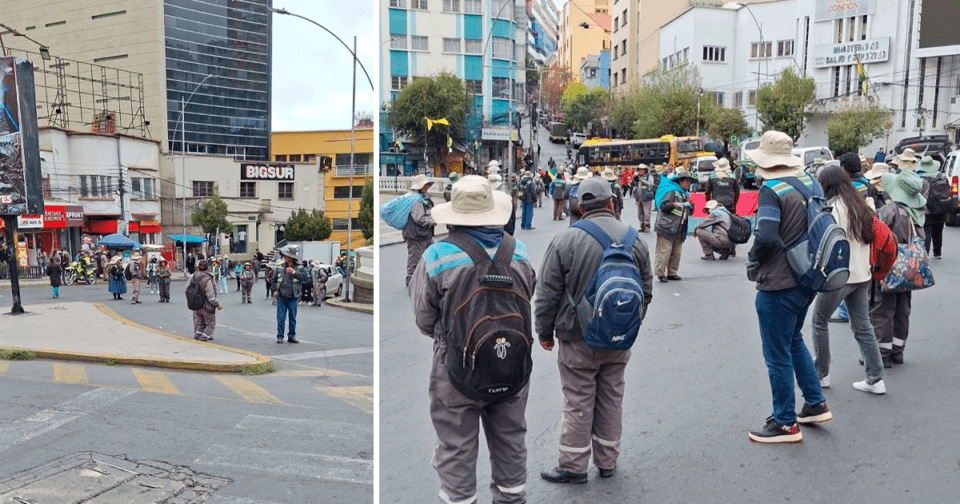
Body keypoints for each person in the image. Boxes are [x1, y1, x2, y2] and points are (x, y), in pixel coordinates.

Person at [409, 175, 536, 504]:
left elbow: (424, 318)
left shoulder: (438, 256)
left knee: (456, 444)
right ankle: (511, 497)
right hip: (513, 365)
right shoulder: (519, 252)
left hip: (456, 367)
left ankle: (460, 499)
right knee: (511, 437)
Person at [535, 177, 653, 483]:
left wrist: (544, 333)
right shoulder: (634, 240)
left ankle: (573, 467)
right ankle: (607, 462)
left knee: (578, 399)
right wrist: (627, 325)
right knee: (612, 396)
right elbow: (647, 290)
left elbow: (547, 294)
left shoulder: (565, 240)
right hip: (619, 338)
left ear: (579, 206)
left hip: (577, 337)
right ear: (612, 203)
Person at [744, 130, 832, 443]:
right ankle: (814, 402)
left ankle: (784, 422)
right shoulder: (811, 183)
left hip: (779, 283)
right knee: (793, 340)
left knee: (777, 353)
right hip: (808, 277)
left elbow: (766, 236)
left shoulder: (771, 190)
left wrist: (753, 259)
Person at [809, 166, 886, 395]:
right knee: (863, 326)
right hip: (863, 273)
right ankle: (875, 377)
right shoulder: (860, 204)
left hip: (840, 276)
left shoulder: (833, 208)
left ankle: (821, 373)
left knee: (819, 321)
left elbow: (827, 243)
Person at [871, 171, 926, 366]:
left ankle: (881, 354)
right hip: (909, 270)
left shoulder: (891, 210)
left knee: (882, 310)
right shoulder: (916, 213)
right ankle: (897, 351)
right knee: (903, 309)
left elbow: (878, 236)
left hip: (889, 267)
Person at [653, 168, 695, 282]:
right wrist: (674, 205)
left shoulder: (684, 194)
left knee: (676, 252)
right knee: (664, 251)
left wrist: (691, 204)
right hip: (666, 226)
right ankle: (661, 274)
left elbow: (690, 212)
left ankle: (672, 273)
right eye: (686, 181)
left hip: (679, 228)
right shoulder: (672, 191)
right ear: (680, 182)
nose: (688, 184)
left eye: (689, 182)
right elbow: (664, 206)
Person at [403, 174, 436, 287]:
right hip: (416, 235)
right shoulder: (416, 200)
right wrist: (431, 222)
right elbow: (419, 218)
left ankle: (425, 277)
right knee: (415, 259)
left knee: (431, 254)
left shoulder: (424, 198)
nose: (426, 186)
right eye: (424, 185)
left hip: (424, 234)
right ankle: (411, 280)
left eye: (427, 184)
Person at [273, 245, 310, 344]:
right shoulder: (280, 267)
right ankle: (280, 336)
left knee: (292, 318)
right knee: (280, 318)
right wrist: (274, 290)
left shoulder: (300, 267)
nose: (284, 258)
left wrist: (294, 272)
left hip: (293, 297)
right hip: (282, 297)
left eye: (286, 256)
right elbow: (274, 279)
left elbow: (306, 278)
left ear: (291, 258)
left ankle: (291, 336)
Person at [917, 156, 946, 259]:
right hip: (941, 207)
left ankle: (926, 253)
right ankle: (937, 252)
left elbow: (919, 194)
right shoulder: (941, 176)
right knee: (938, 230)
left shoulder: (921, 179)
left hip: (926, 210)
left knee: (927, 230)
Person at [188, 259, 222, 341]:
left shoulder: (193, 277)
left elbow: (188, 290)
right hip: (206, 305)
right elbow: (210, 295)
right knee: (210, 324)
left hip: (196, 305)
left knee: (200, 323)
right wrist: (217, 305)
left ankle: (197, 335)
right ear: (208, 267)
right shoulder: (207, 279)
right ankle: (204, 338)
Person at [634, 164, 656, 232]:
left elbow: (651, 184)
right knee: (640, 213)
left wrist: (642, 180)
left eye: (642, 169)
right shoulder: (637, 177)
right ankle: (642, 226)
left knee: (646, 213)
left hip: (646, 197)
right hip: (639, 197)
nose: (641, 171)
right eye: (640, 169)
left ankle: (647, 226)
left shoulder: (649, 176)